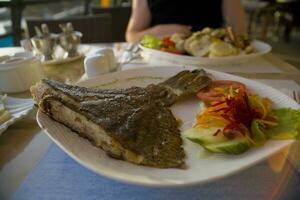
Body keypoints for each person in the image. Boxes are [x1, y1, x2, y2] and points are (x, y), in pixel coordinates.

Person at [126, 0, 247, 42]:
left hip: (212, 64)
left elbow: (239, 33)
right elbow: (131, 36)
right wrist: (157, 31)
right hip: (159, 60)